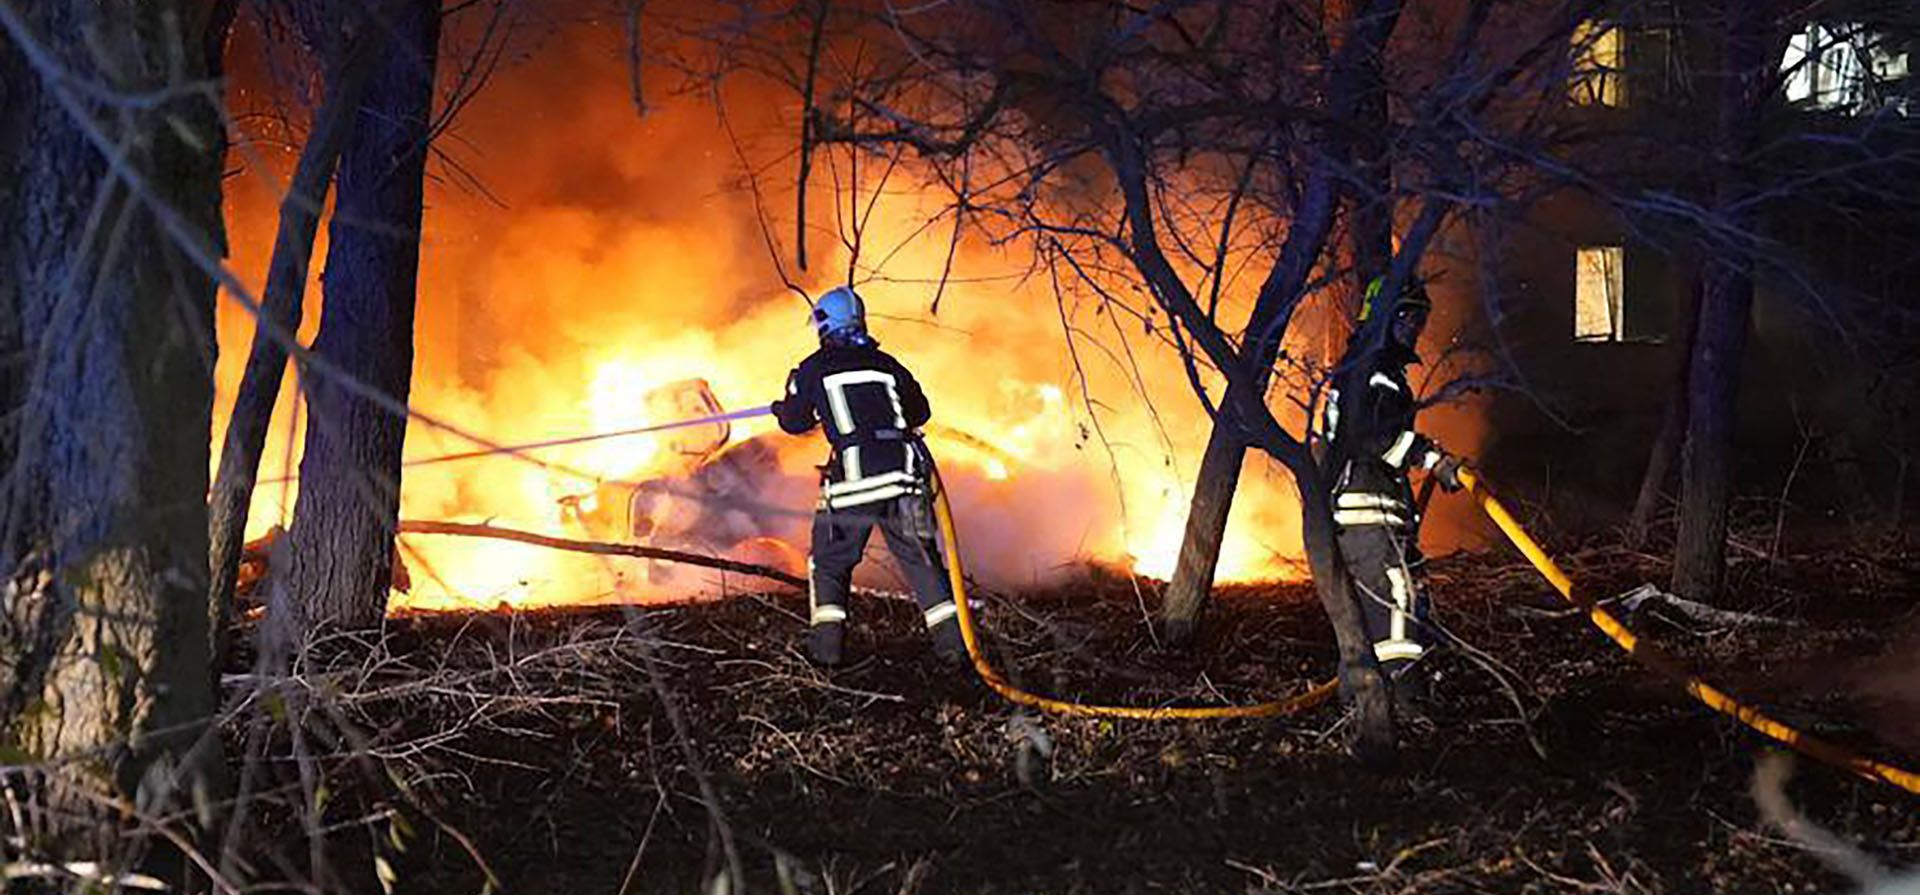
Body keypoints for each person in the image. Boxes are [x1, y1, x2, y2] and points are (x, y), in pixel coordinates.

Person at [772, 286, 966, 667]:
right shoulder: (888, 364)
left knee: (830, 562)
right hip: (906, 475)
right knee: (922, 560)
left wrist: (785, 403)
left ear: (826, 326)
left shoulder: (813, 368)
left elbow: (795, 422)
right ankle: (957, 648)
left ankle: (826, 654)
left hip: (855, 482)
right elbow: (919, 412)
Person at [1322, 276, 1466, 710]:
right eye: (1407, 317)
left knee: (1374, 608)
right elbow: (1375, 435)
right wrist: (1430, 458)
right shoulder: (1374, 370)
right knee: (1396, 598)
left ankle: (1362, 700)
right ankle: (1402, 700)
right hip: (1367, 509)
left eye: (1419, 319)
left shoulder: (1365, 367)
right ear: (1385, 317)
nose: (1415, 328)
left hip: (1364, 508)